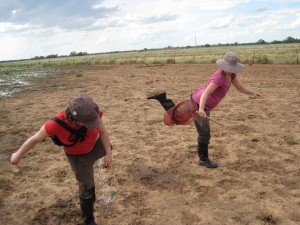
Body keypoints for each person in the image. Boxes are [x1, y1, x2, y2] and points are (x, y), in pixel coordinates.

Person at [147, 52, 262, 168]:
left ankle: (162, 99)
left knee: (177, 115)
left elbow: (240, 88)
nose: (232, 70)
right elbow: (206, 92)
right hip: (198, 104)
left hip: (196, 99)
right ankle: (203, 159)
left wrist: (252, 92)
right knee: (204, 133)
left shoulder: (231, 75)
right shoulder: (219, 77)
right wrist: (201, 109)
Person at [10, 93, 112, 225]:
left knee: (107, 147)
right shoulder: (54, 125)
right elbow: (34, 139)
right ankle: (88, 220)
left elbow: (103, 132)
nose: (93, 124)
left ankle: (95, 161)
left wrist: (108, 153)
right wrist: (18, 154)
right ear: (74, 119)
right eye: (88, 123)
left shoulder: (91, 114)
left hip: (93, 147)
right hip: (77, 156)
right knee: (86, 186)